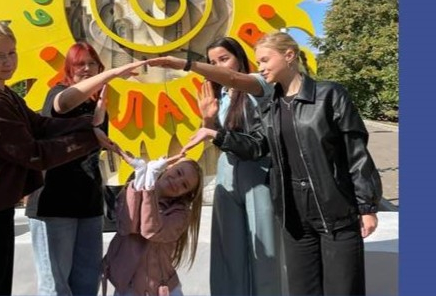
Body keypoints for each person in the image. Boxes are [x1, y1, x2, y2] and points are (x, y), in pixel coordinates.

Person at [188, 31, 382, 296]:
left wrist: (367, 206)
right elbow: (257, 146)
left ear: (289, 56)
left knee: (342, 289)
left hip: (335, 211)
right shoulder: (271, 107)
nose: (261, 67)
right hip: (295, 217)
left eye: (265, 60)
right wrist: (214, 132)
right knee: (302, 290)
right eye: (259, 62)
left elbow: (355, 153)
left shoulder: (329, 95)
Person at [0, 21, 114, 295]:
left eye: (12, 52)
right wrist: (91, 137)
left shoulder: (4, 95)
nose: (8, 61)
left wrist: (90, 125)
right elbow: (34, 154)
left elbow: (41, 125)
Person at [147, 37, 280, 296]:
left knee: (265, 249)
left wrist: (185, 64)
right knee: (228, 249)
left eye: (224, 59)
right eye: (212, 62)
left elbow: (232, 79)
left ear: (239, 59)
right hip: (227, 170)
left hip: (258, 171)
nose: (218, 66)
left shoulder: (257, 83)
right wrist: (207, 118)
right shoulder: (220, 95)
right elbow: (214, 138)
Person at [26, 42, 144, 296]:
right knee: (56, 286)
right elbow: (64, 104)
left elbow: (93, 149)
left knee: (88, 282)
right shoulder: (58, 93)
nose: (87, 69)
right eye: (80, 64)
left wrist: (101, 121)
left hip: (88, 204)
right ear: (69, 69)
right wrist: (113, 73)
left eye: (92, 64)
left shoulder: (98, 106)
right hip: (54, 203)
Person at [101, 148, 203, 296]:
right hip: (127, 286)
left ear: (186, 194)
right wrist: (140, 177)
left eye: (184, 185)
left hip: (157, 289)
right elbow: (127, 225)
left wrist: (149, 185)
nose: (177, 182)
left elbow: (151, 230)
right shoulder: (133, 189)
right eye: (178, 172)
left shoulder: (181, 214)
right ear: (169, 166)